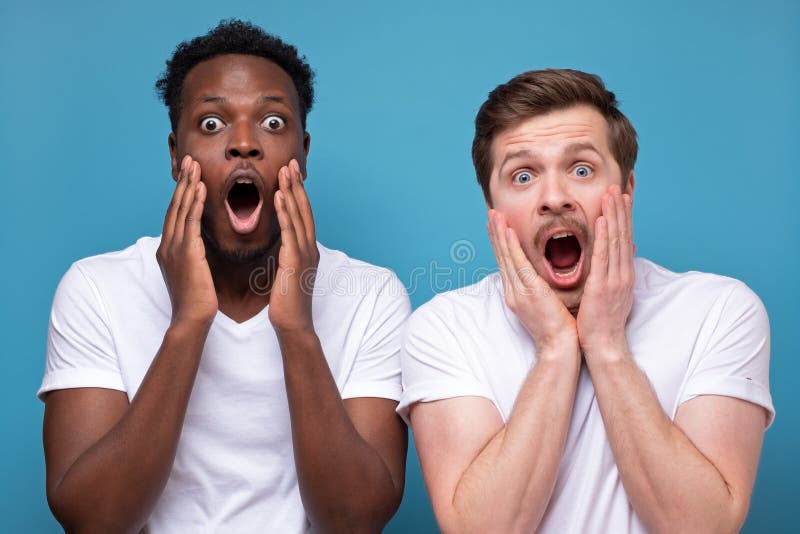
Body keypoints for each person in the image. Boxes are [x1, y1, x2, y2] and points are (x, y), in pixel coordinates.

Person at [39, 19, 409, 533]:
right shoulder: (97, 289)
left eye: (273, 124)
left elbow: (355, 520)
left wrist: (297, 329)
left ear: (304, 153)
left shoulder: (371, 295)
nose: (243, 144)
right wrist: (188, 323)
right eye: (212, 124)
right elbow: (93, 520)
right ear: (175, 155)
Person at [397, 69, 774, 533]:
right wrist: (556, 346)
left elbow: (700, 527)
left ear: (627, 190)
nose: (555, 198)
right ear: (492, 210)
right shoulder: (442, 328)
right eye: (522, 175)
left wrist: (607, 344)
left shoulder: (720, 310)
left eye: (581, 170)